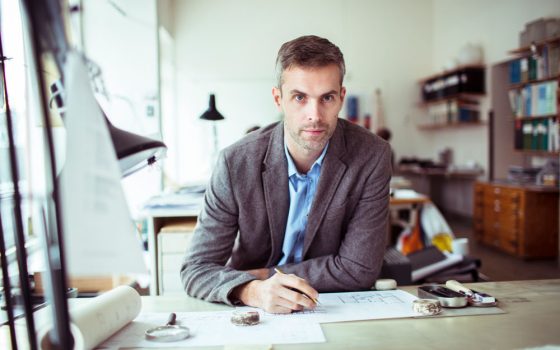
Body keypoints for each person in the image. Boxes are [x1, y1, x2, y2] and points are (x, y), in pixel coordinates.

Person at [181, 35, 391, 314]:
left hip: (334, 305)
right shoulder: (235, 163)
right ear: (278, 99)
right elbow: (196, 269)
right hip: (254, 308)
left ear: (341, 98)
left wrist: (264, 276)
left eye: (326, 98)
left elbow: (359, 269)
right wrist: (252, 289)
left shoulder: (372, 155)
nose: (314, 115)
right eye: (299, 97)